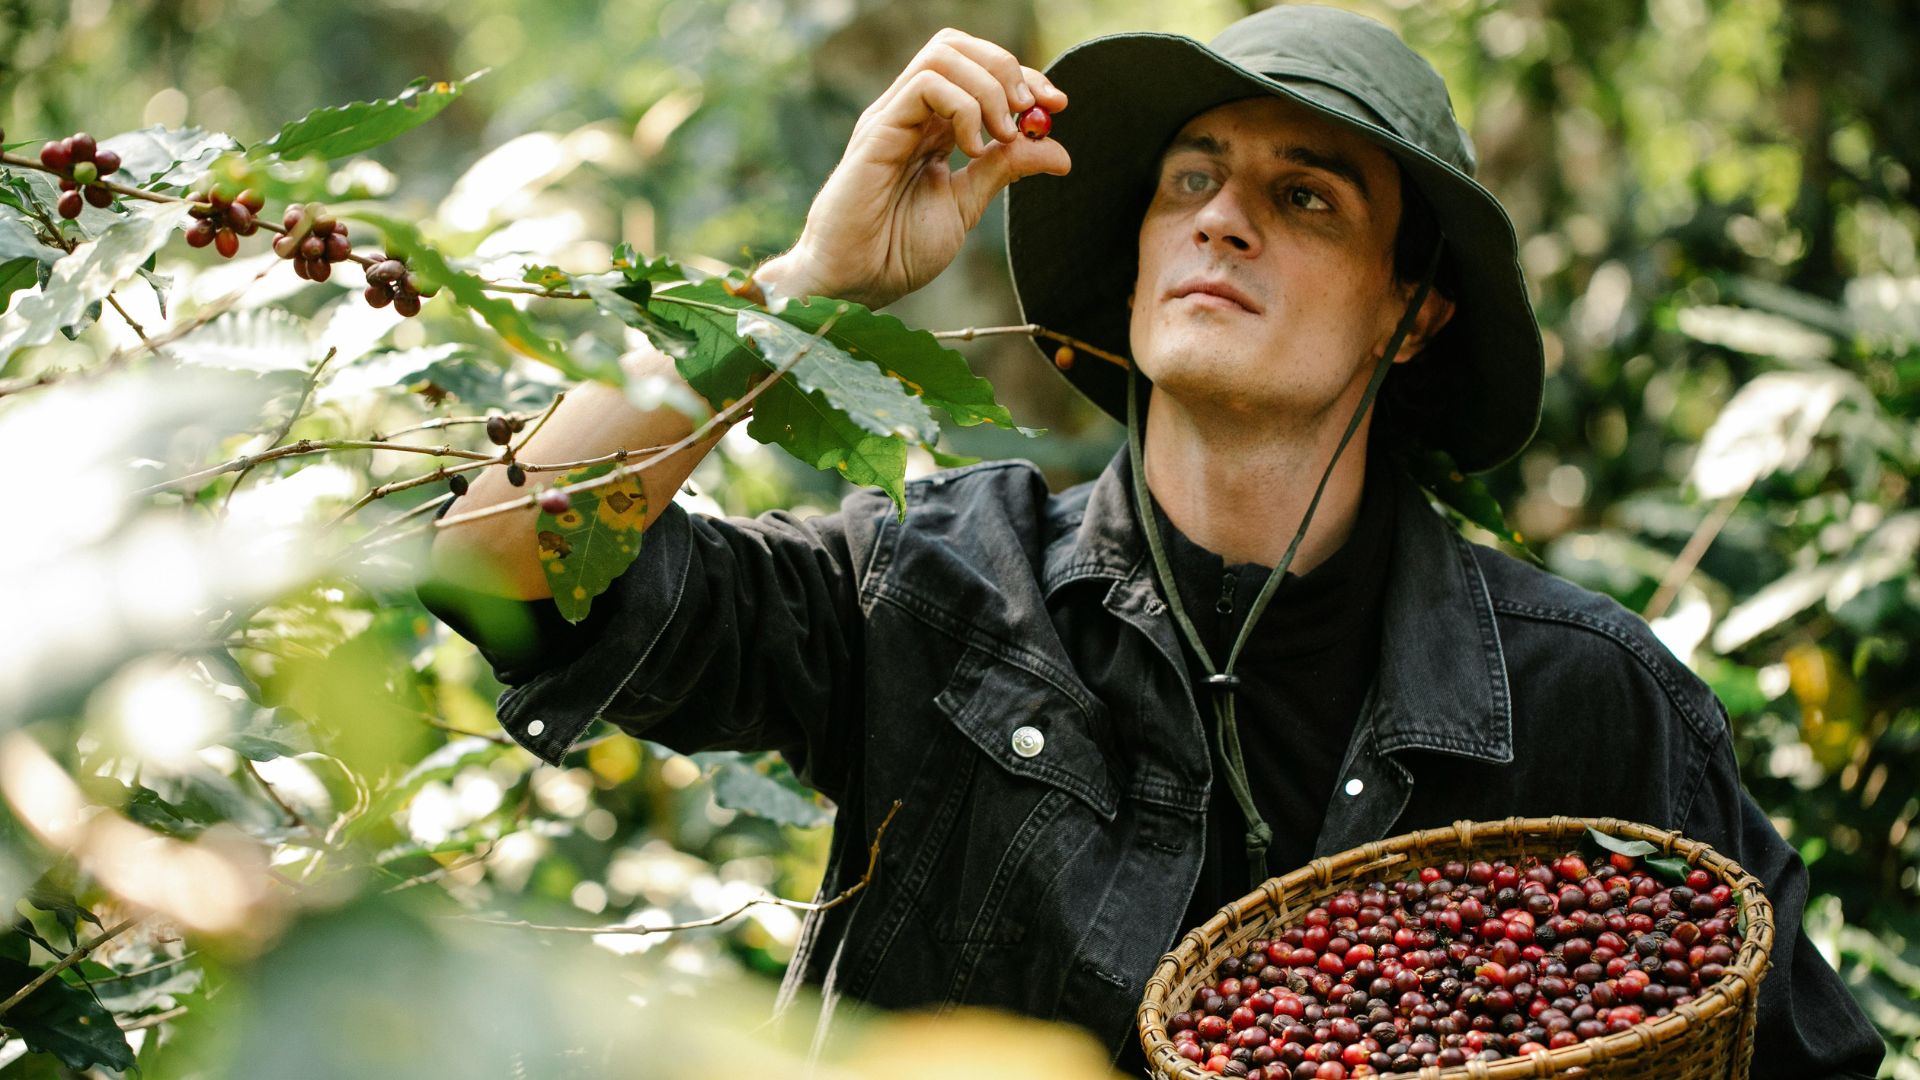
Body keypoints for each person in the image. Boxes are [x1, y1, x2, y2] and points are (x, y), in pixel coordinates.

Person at [422, 6, 1883, 1076]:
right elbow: (498, 571)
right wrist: (803, 287)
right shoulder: (934, 592)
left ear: (1412, 308)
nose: (1224, 220)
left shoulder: (1583, 699)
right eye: (1192, 179)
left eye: (1303, 195)